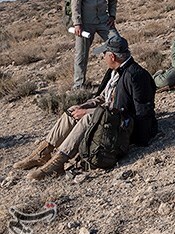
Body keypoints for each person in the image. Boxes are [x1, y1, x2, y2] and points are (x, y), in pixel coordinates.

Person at [13, 35, 158, 180]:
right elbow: (103, 97)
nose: (103, 58)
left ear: (112, 56)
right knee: (72, 111)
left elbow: (133, 112)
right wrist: (83, 106)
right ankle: (43, 152)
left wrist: (89, 112)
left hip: (123, 128)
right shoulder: (114, 71)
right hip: (109, 120)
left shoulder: (136, 76)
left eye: (104, 54)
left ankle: (58, 162)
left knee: (88, 118)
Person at [70, 0, 121, 90]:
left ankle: (121, 78)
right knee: (81, 54)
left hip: (104, 21)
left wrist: (112, 15)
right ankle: (79, 86)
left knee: (118, 43)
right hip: (85, 23)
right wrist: (77, 23)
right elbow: (76, 1)